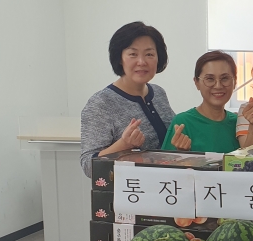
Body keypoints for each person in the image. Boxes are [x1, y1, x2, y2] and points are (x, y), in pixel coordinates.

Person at [80, 22, 174, 177]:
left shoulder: (158, 93)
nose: (142, 62)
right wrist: (123, 145)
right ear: (119, 58)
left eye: (149, 54)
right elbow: (88, 167)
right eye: (133, 54)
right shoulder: (101, 103)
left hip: (163, 191)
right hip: (130, 194)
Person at [161, 50, 239, 154]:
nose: (218, 86)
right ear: (196, 83)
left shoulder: (238, 123)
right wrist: (182, 154)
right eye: (210, 79)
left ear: (235, 82)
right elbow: (165, 166)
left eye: (225, 78)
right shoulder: (182, 123)